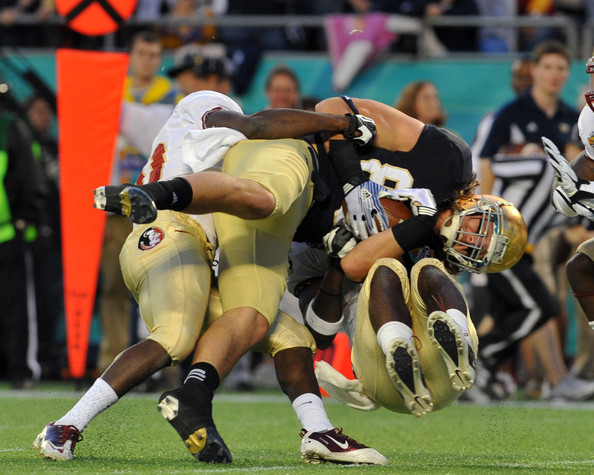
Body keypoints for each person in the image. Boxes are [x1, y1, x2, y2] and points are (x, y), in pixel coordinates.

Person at [34, 91, 387, 465]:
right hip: (169, 229)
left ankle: (318, 431)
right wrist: (342, 123)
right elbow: (256, 125)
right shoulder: (205, 111)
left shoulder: (218, 143)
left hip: (199, 254)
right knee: (175, 336)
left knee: (290, 337)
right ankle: (66, 426)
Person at [313, 191, 527, 417]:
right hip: (444, 384)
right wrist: (336, 264)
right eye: (479, 230)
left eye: (475, 251)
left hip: (391, 377)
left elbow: (321, 334)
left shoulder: (434, 257)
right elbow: (321, 333)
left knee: (416, 269)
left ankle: (436, 342)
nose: (470, 241)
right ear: (471, 204)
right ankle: (405, 348)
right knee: (395, 268)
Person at [477, 39, 593, 401]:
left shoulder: (567, 118)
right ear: (534, 71)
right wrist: (489, 218)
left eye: (562, 67)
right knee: (534, 303)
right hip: (509, 228)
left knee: (537, 302)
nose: (556, 74)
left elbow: (579, 172)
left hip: (549, 228)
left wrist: (578, 208)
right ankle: (543, 378)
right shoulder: (511, 113)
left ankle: (541, 377)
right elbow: (486, 167)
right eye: (548, 67)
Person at [98, 30, 180, 375]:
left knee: (160, 285)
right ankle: (111, 361)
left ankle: (165, 363)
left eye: (154, 54)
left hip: (155, 202)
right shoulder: (112, 90)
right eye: (142, 53)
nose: (148, 60)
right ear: (130, 55)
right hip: (119, 201)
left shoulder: (173, 97)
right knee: (114, 285)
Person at [0, 91, 45, 389]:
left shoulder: (9, 126)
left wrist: (24, 218)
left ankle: (19, 370)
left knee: (14, 305)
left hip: (5, 233)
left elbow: (29, 174)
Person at [166, 43, 233, 97]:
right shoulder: (170, 101)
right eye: (206, 79)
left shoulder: (233, 106)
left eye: (219, 81)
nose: (212, 86)